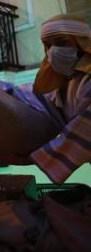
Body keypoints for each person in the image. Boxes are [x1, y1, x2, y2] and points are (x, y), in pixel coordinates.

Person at [28, 14, 91, 184]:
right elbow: (35, 99)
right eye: (47, 46)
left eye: (61, 43)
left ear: (81, 43)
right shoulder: (63, 84)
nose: (52, 51)